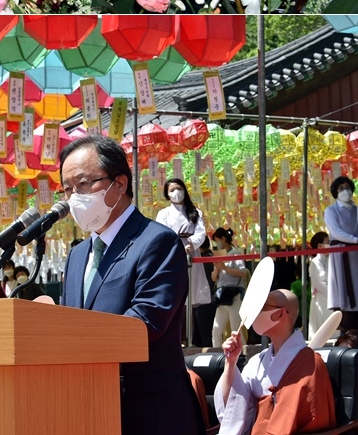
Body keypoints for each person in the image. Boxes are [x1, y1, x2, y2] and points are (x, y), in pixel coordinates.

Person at [60, 134, 206, 435]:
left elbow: (145, 323)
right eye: (67, 189)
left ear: (120, 184)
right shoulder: (76, 255)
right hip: (89, 409)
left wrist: (70, 339)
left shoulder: (157, 241)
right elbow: (67, 320)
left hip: (149, 413)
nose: (75, 197)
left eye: (84, 184)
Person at [214, 289, 336, 435]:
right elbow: (234, 409)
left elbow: (313, 419)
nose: (255, 311)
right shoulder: (257, 362)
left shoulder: (311, 364)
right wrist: (230, 362)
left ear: (280, 314)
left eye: (262, 306)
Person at [156, 178, 212, 336]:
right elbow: (161, 233)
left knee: (193, 291)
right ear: (167, 194)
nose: (176, 193)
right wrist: (175, 246)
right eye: (172, 190)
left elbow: (201, 233)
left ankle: (190, 335)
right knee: (175, 291)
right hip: (172, 252)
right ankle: (177, 334)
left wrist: (191, 244)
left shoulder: (195, 212)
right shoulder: (164, 213)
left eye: (178, 188)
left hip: (191, 250)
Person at [324, 176, 358, 331]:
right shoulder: (331, 211)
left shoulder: (356, 210)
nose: (345, 191)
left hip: (355, 254)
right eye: (341, 188)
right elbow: (336, 233)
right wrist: (354, 240)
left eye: (347, 187)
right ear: (335, 192)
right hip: (341, 255)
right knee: (344, 290)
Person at [211, 227, 247, 348]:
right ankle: (217, 356)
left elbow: (243, 273)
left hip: (234, 296)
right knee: (216, 330)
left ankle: (243, 355)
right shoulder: (219, 254)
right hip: (222, 296)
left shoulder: (235, 253)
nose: (217, 244)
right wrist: (217, 267)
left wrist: (225, 268)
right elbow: (214, 278)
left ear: (223, 239)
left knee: (236, 330)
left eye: (218, 241)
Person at [308, 231, 330, 339]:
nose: (330, 244)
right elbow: (320, 284)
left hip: (329, 301)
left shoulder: (329, 260)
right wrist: (333, 297)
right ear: (320, 246)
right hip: (321, 301)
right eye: (328, 242)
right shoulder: (315, 263)